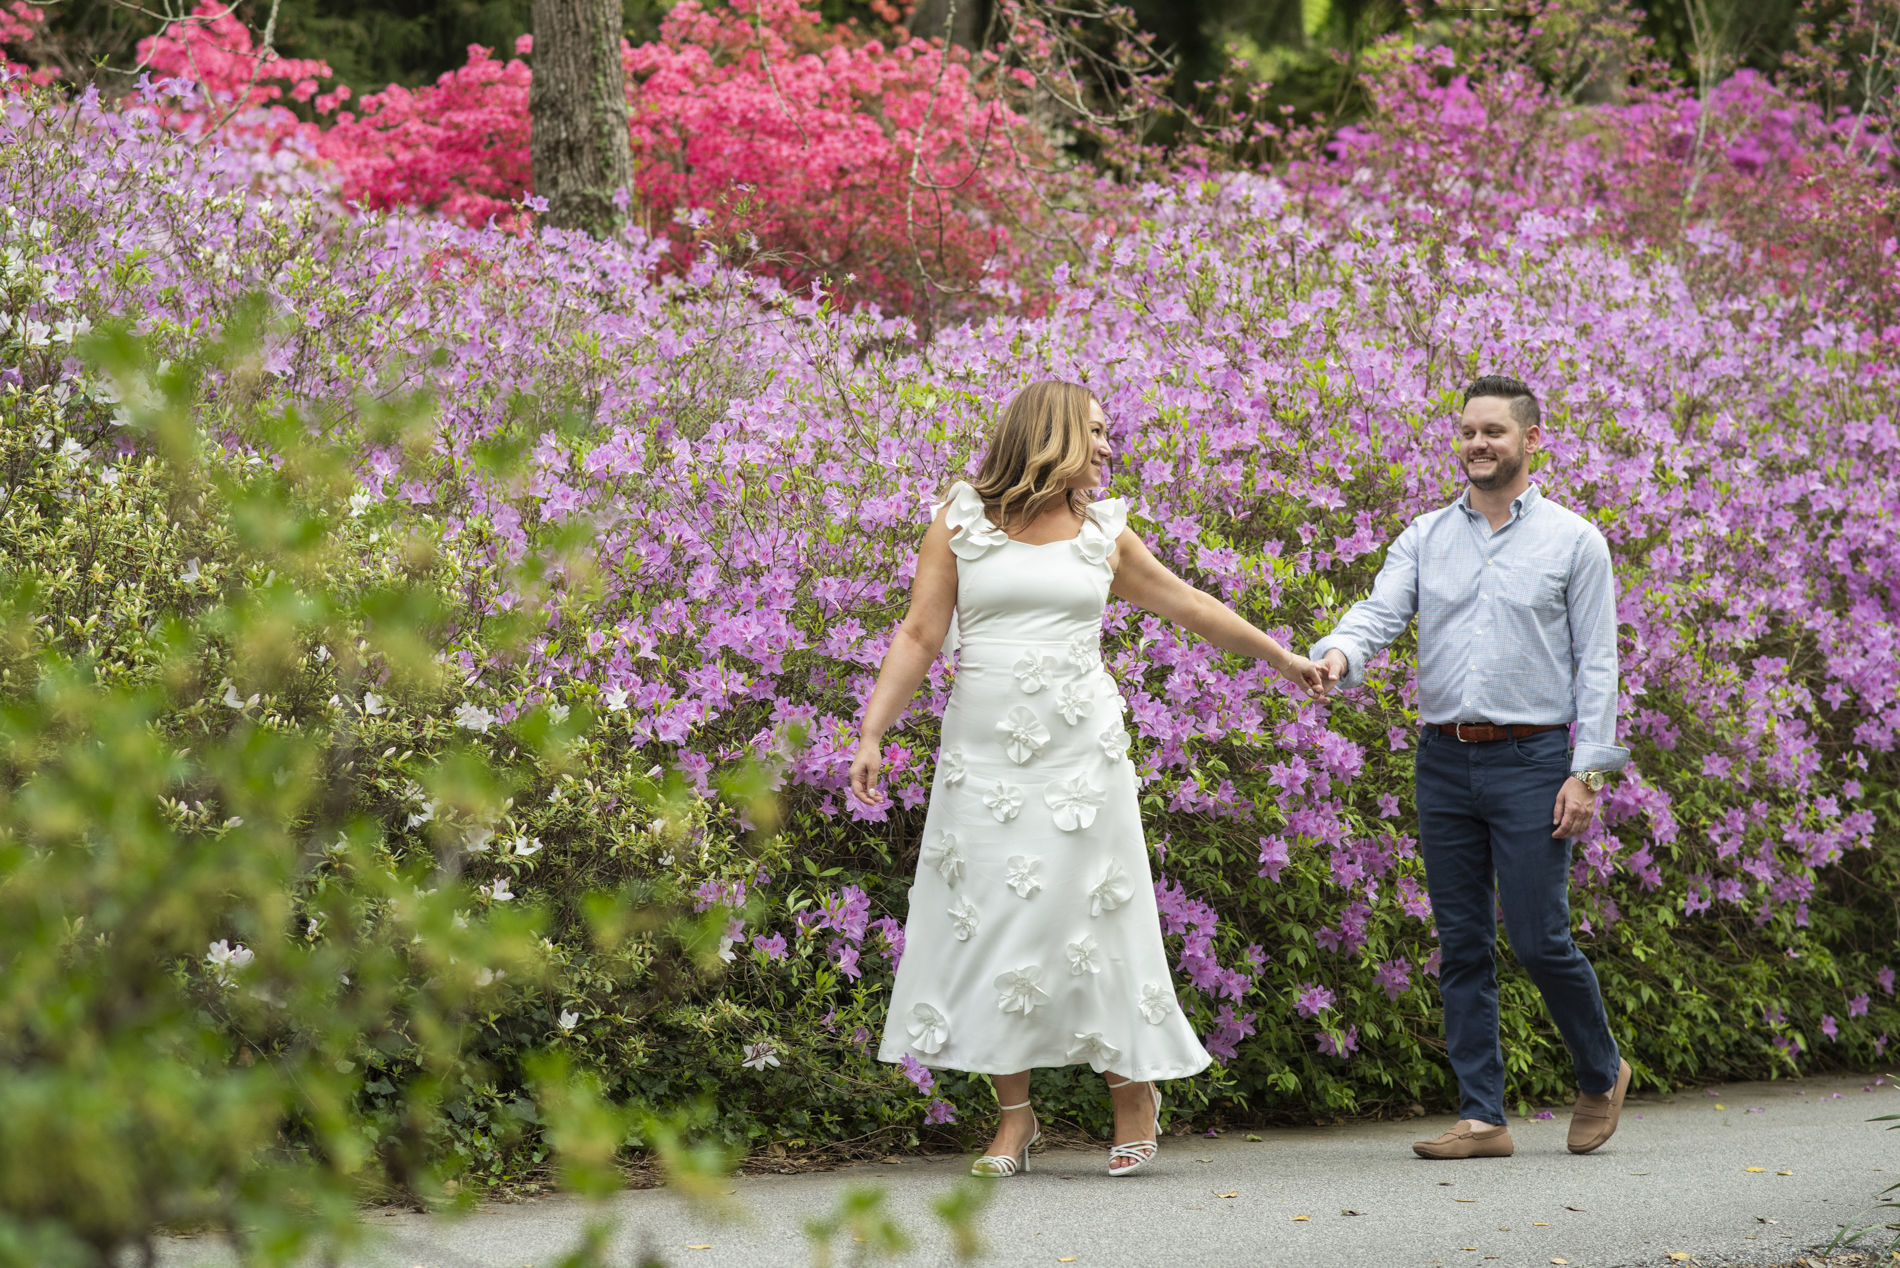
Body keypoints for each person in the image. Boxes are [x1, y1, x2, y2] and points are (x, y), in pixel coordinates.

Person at [850, 381, 1325, 1177]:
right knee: (995, 918)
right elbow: (921, 632)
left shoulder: (1103, 532)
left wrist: (1280, 654)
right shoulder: (961, 520)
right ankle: (1013, 1120)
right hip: (987, 759)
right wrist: (872, 731)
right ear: (1055, 433)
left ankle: (1133, 1095)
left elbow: (1191, 606)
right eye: (1098, 432)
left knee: (1097, 919)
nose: (1109, 446)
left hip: (1081, 756)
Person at [1309, 375, 1632, 1160]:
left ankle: (1600, 1071)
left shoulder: (1574, 541)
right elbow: (1382, 610)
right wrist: (1337, 654)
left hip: (1533, 760)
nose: (1478, 444)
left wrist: (1587, 772)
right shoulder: (1425, 535)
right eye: (1467, 432)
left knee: (1538, 938)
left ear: (1530, 440)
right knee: (1460, 942)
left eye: (1494, 431)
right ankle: (1483, 1117)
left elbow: (1599, 664)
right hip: (1444, 760)